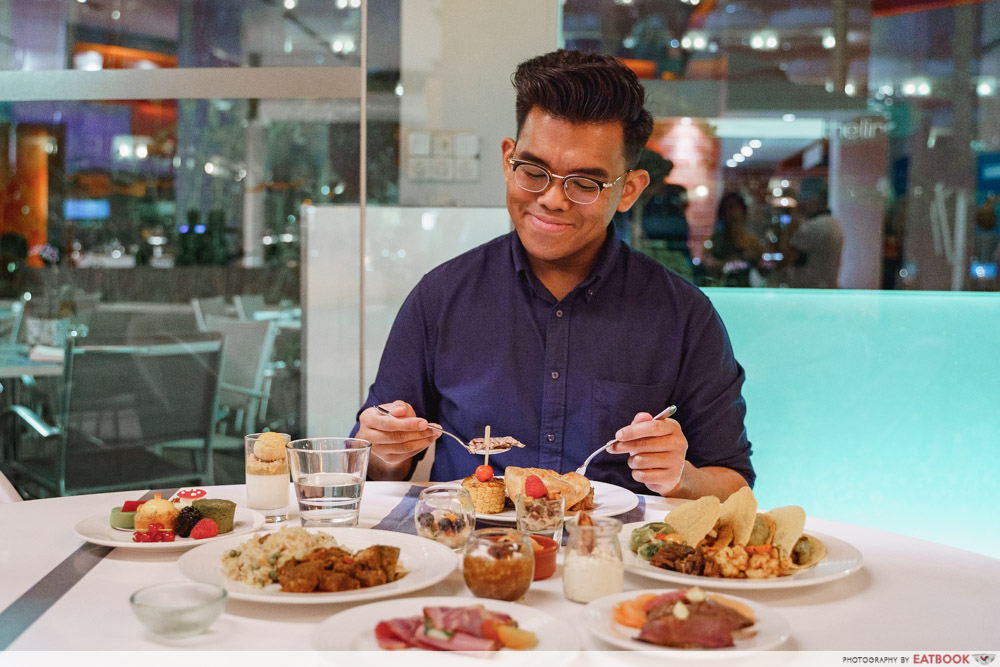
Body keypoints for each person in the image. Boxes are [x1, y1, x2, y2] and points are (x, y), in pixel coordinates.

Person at [353, 49, 753, 499]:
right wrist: (385, 449)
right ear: (508, 161)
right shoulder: (442, 297)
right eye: (534, 171)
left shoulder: (683, 316)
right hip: (472, 554)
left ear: (629, 190)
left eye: (585, 183)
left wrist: (682, 477)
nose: (552, 199)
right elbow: (371, 469)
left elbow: (734, 485)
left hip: (613, 560)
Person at [784, 178, 844, 289]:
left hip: (808, 291)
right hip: (826, 288)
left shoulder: (812, 226)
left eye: (804, 199)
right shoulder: (833, 224)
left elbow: (789, 257)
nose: (801, 204)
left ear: (815, 199)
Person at [701, 192, 763, 288]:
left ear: (743, 212)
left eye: (735, 208)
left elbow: (762, 266)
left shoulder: (752, 241)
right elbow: (708, 262)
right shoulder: (715, 240)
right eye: (728, 209)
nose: (731, 213)